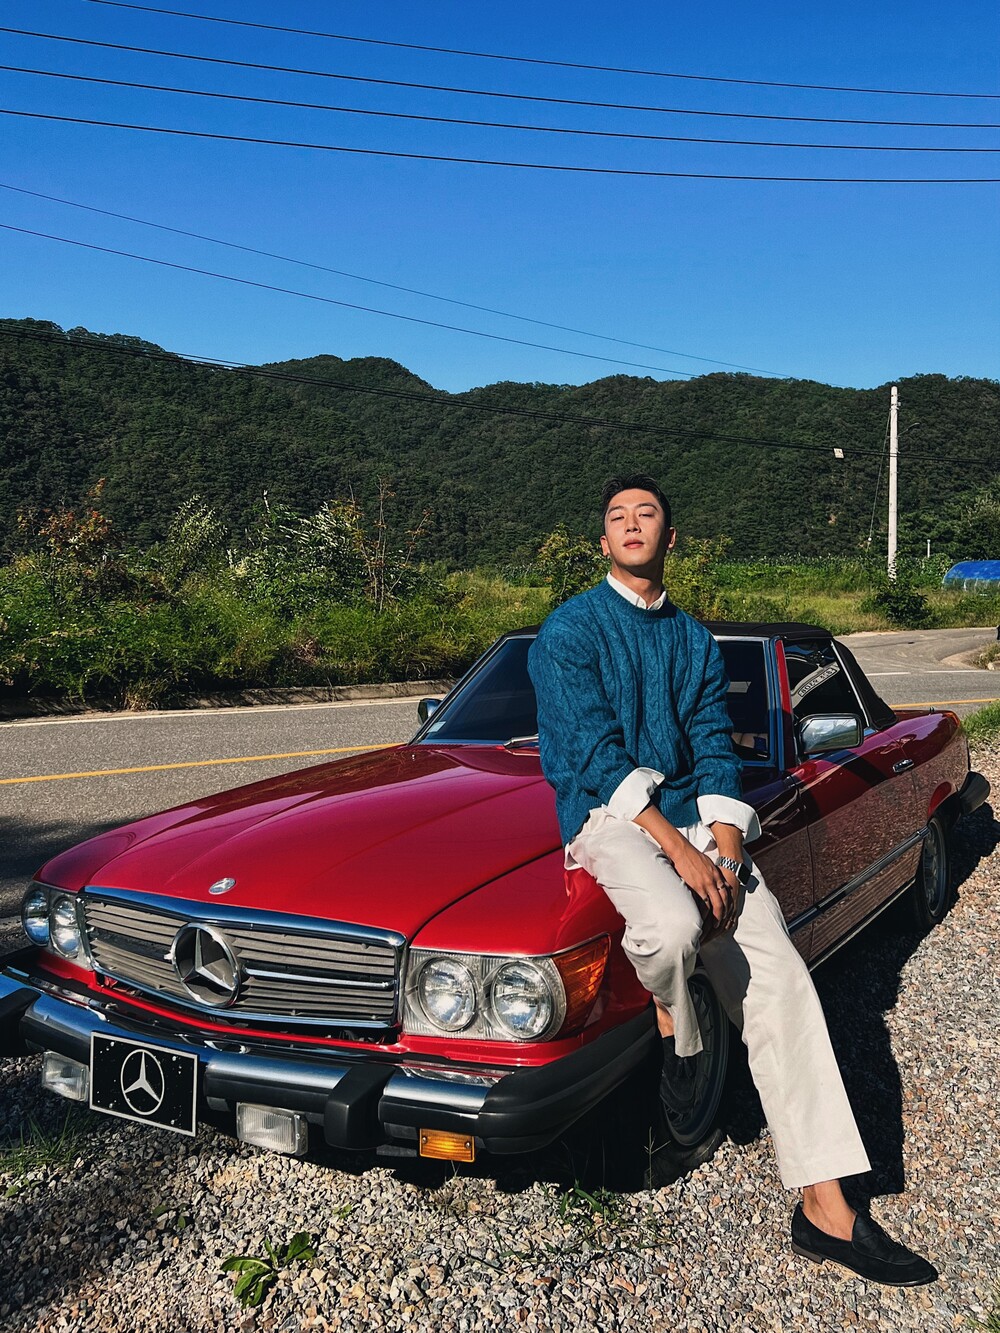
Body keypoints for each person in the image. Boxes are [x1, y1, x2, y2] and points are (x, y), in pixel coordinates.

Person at [527, 473, 936, 1286]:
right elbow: (596, 754)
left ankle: (826, 1206)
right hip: (607, 817)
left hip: (695, 822)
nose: (632, 524)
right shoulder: (569, 629)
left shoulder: (695, 641)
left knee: (783, 982)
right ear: (603, 541)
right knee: (676, 929)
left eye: (647, 513)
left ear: (669, 537)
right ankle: (680, 1024)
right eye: (617, 516)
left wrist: (723, 849)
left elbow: (716, 744)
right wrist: (679, 856)